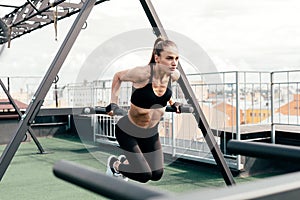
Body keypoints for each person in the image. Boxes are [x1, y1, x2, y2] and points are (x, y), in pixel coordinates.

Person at [105, 37, 182, 183]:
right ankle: (115, 165)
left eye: (177, 58)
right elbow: (118, 76)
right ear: (157, 58)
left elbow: (165, 93)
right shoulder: (142, 74)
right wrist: (113, 104)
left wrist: (173, 102)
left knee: (157, 174)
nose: (174, 63)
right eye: (170, 58)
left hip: (151, 133)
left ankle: (128, 163)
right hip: (128, 131)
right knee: (144, 175)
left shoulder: (174, 75)